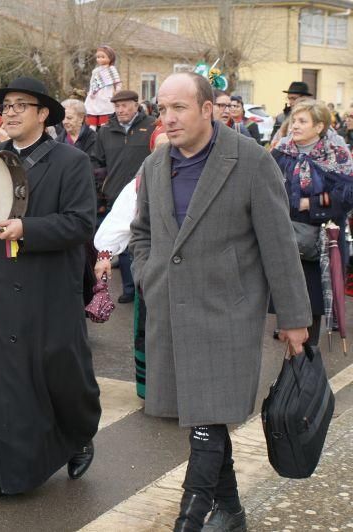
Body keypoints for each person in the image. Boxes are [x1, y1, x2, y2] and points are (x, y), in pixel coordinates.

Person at [129, 72, 311, 531]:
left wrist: (294, 319)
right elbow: (142, 233)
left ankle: (189, 518)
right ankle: (230, 511)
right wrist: (148, 276)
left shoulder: (250, 161)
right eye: (162, 109)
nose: (167, 119)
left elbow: (279, 245)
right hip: (171, 311)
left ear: (208, 109)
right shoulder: (155, 165)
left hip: (229, 313)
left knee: (208, 423)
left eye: (179, 108)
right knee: (203, 419)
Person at [0, 77, 101, 503]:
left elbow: (79, 224)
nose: (13, 111)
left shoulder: (70, 161)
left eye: (24, 104)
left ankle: (78, 433)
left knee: (62, 373)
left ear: (43, 114)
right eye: (8, 105)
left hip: (48, 286)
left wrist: (27, 228)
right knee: (0, 380)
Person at [271, 100, 353, 346]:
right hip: (285, 239)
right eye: (294, 120)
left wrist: (312, 204)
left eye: (302, 121)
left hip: (320, 245)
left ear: (319, 126)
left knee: (311, 313)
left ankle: (307, 373)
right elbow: (265, 186)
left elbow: (346, 195)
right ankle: (290, 376)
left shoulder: (336, 154)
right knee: (287, 312)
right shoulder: (281, 151)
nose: (294, 126)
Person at [91, 89, 155, 304]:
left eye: (125, 105)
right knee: (124, 249)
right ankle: (129, 288)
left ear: (136, 105)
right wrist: (101, 192)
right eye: (117, 106)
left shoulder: (152, 126)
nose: (120, 110)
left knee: (143, 245)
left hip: (145, 198)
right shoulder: (105, 131)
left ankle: (144, 288)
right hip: (115, 196)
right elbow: (97, 164)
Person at [85, 45, 122, 129]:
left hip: (106, 94)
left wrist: (117, 91)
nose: (100, 59)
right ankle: (92, 132)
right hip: (95, 95)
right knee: (92, 115)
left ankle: (103, 131)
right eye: (98, 57)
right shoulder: (95, 71)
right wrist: (91, 91)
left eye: (103, 57)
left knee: (104, 117)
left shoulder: (112, 69)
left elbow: (117, 82)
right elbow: (92, 83)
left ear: (110, 57)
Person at [272, 81, 313, 147]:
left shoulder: (316, 117)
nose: (290, 102)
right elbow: (273, 142)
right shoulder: (281, 118)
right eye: (289, 98)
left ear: (305, 99)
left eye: (293, 98)